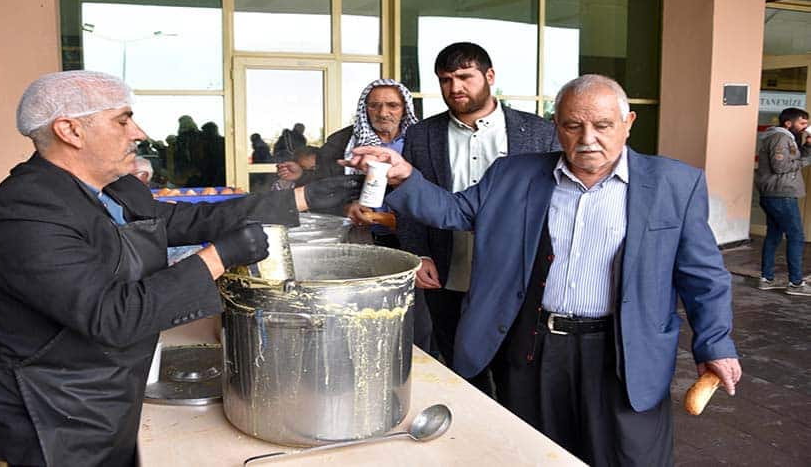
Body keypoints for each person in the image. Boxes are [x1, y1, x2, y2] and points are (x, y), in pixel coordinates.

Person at [0, 70, 362, 467]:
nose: (139, 133)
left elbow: (190, 220)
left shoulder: (116, 190)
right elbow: (112, 315)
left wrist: (302, 199)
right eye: (122, 120)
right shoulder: (21, 214)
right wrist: (219, 257)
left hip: (108, 394)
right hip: (47, 417)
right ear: (70, 130)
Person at [345, 74, 741, 466]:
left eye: (603, 125)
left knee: (631, 456)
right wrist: (405, 176)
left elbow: (703, 275)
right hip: (537, 348)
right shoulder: (514, 175)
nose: (588, 139)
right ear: (556, 126)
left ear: (628, 123)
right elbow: (454, 211)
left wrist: (716, 345)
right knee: (536, 452)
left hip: (625, 352)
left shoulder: (675, 183)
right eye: (573, 125)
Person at [398, 42, 559, 392]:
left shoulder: (538, 132)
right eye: (445, 80)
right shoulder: (422, 135)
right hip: (447, 266)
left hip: (515, 270)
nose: (455, 87)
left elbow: (556, 202)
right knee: (460, 364)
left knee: (516, 370)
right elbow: (410, 202)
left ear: (490, 76)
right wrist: (418, 254)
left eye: (464, 77)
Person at [280, 78, 418, 246]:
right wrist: (344, 207)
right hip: (361, 237)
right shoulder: (339, 143)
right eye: (374, 105)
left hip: (416, 236)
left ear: (405, 109)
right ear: (365, 109)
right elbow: (321, 187)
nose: (382, 113)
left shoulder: (422, 141)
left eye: (392, 105)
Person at [754, 107, 811, 295]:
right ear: (788, 123)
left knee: (774, 235)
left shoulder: (787, 138)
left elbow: (794, 158)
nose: (805, 127)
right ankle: (795, 283)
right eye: (802, 123)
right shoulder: (780, 138)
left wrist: (808, 147)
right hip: (781, 195)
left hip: (775, 194)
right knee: (796, 236)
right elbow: (780, 167)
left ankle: (767, 278)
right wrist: (805, 161)